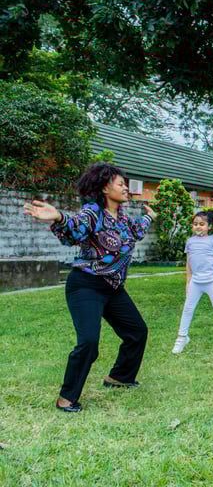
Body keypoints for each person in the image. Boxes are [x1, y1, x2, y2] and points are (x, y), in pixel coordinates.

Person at [23, 162, 156, 413]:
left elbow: (138, 231)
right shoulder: (92, 212)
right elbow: (75, 229)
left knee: (137, 331)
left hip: (113, 288)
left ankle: (119, 377)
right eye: (120, 184)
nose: (126, 188)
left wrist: (149, 216)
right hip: (86, 285)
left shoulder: (124, 219)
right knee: (89, 342)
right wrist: (60, 217)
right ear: (105, 187)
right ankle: (66, 398)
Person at [172, 210, 213, 355]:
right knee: (187, 309)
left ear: (209, 226)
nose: (198, 227)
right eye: (195, 224)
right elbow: (188, 263)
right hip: (195, 282)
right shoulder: (189, 242)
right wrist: (188, 282)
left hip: (212, 282)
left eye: (202, 224)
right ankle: (181, 338)